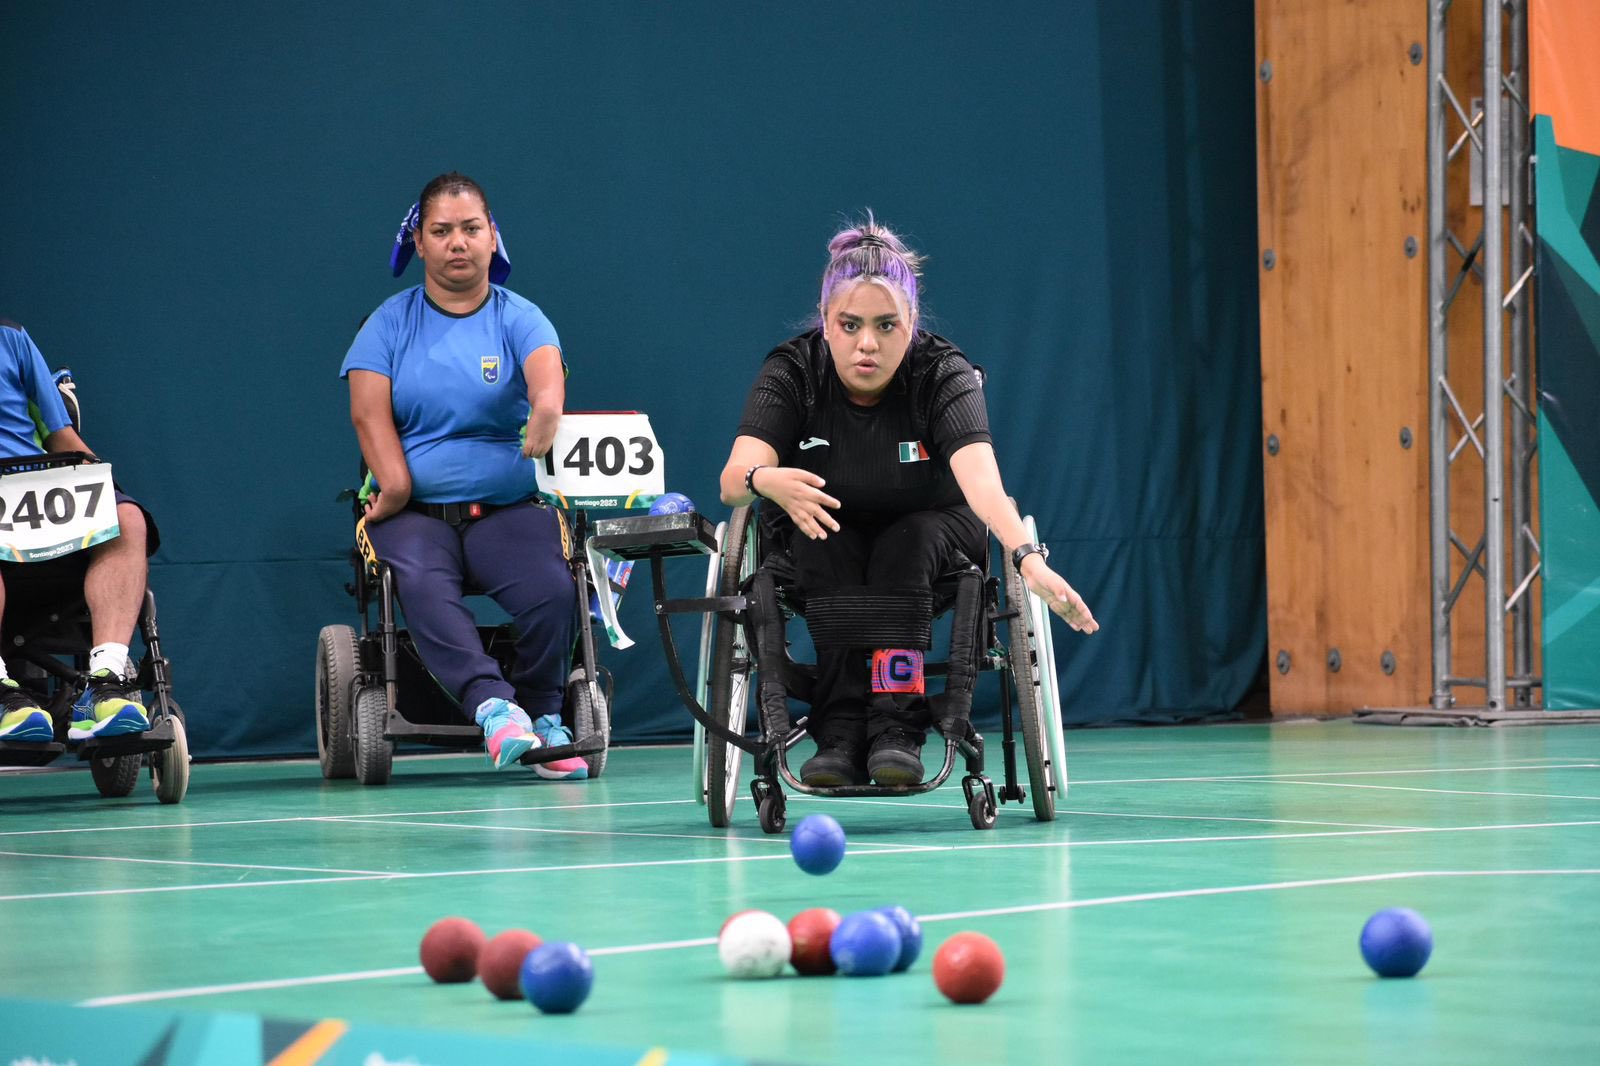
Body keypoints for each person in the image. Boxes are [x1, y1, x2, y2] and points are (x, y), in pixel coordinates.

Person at [718, 217, 1099, 787]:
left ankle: (895, 726)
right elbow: (732, 481)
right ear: (825, 324)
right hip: (825, 534)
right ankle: (841, 728)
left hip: (934, 531)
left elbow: (983, 485)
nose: (866, 343)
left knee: (909, 541)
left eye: (885, 325)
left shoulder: (943, 374)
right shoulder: (793, 370)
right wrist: (764, 479)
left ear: (912, 325)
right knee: (822, 529)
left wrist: (1026, 556)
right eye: (849, 325)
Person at [340, 172, 587, 779]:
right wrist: (395, 486)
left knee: (556, 591)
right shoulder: (389, 323)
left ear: (492, 237)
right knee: (420, 584)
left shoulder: (520, 317)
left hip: (506, 511)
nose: (458, 242)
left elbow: (546, 375)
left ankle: (545, 717)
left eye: (471, 229)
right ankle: (495, 710)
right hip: (413, 513)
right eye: (442, 231)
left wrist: (548, 407)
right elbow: (367, 413)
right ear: (419, 243)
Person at [0, 320, 157, 744]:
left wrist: (105, 486)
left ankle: (103, 683)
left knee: (126, 519)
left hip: (32, 498)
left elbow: (60, 435)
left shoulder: (12, 338)